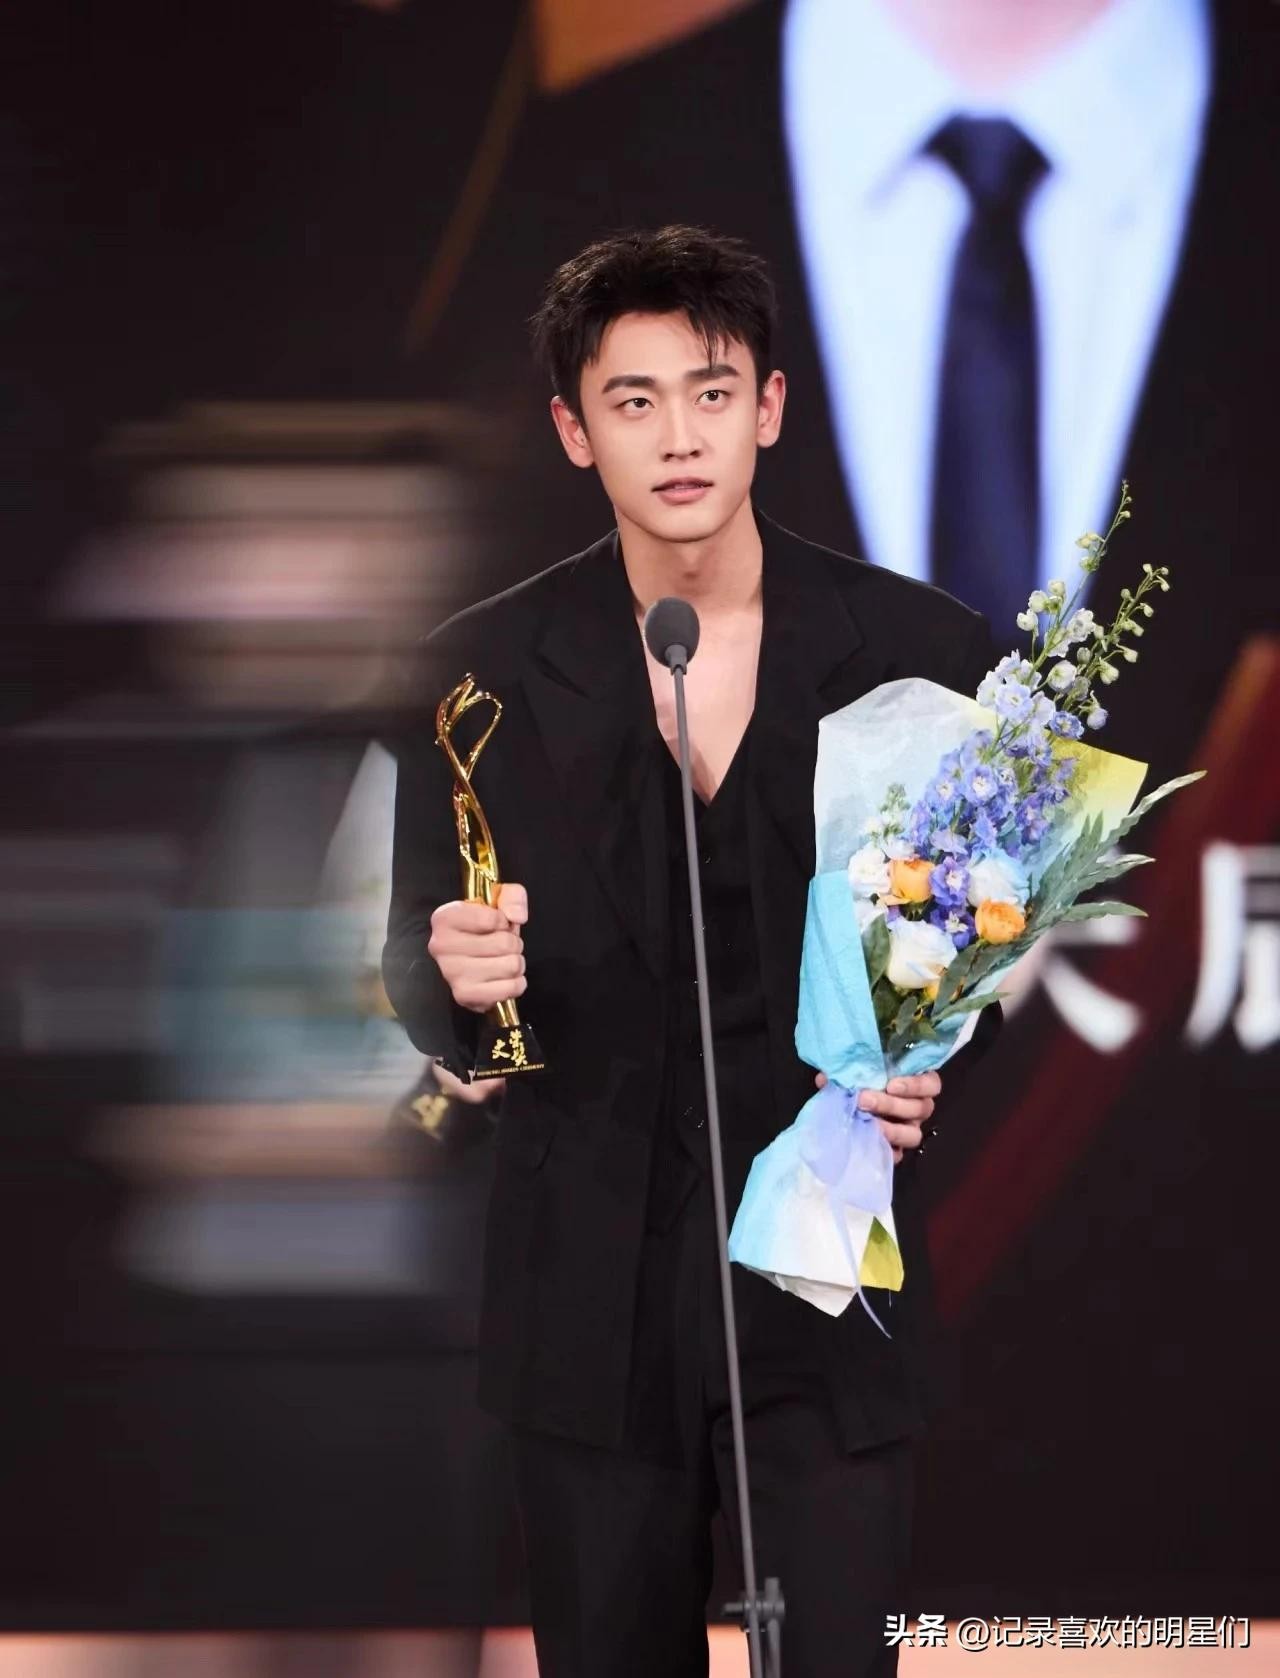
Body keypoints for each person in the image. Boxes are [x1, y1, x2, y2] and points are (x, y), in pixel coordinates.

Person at [383, 225, 1000, 1678]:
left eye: (712, 393)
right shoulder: (482, 671)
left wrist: (930, 1068)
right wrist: (457, 995)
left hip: (824, 1272)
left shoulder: (917, 650)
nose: (679, 437)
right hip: (590, 1293)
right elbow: (422, 949)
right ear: (573, 430)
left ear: (769, 407)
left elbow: (981, 939)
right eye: (635, 400)